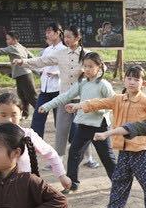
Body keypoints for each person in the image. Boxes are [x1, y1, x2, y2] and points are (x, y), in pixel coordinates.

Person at [77, 65, 146, 208]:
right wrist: (78, 105)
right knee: (119, 179)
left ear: (143, 83)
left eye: (136, 79)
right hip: (123, 149)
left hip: (141, 149)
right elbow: (99, 102)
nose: (132, 82)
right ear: (124, 80)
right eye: (129, 78)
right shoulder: (118, 99)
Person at [38, 52, 117, 194]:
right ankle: (72, 183)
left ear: (99, 67)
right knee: (74, 153)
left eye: (90, 66)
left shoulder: (104, 85)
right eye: (85, 66)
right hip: (83, 126)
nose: (87, 69)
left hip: (100, 127)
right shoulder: (82, 83)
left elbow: (113, 103)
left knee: (107, 158)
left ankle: (118, 184)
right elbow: (66, 96)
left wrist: (91, 107)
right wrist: (48, 106)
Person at [15, 26, 93, 165]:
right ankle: (58, 160)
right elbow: (41, 61)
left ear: (78, 38)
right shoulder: (60, 53)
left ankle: (89, 158)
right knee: (61, 130)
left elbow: (101, 67)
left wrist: (87, 71)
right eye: (65, 37)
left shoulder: (87, 54)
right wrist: (23, 62)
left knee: (82, 128)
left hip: (82, 98)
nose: (66, 40)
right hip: (65, 97)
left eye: (69, 37)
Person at [0, 31, 38, 118]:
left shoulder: (12, 48)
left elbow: (0, 51)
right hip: (22, 74)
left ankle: (41, 111)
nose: (7, 41)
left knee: (31, 96)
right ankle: (25, 114)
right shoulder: (22, 47)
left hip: (24, 74)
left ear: (14, 40)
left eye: (8, 39)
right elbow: (32, 57)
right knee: (22, 95)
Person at [26, 23, 66, 139]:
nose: (47, 34)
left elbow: (68, 68)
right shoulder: (47, 50)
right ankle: (35, 142)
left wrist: (57, 73)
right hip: (45, 89)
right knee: (38, 116)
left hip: (58, 89)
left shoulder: (64, 50)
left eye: (49, 31)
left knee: (60, 120)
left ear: (58, 32)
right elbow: (40, 64)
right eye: (46, 32)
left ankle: (69, 142)